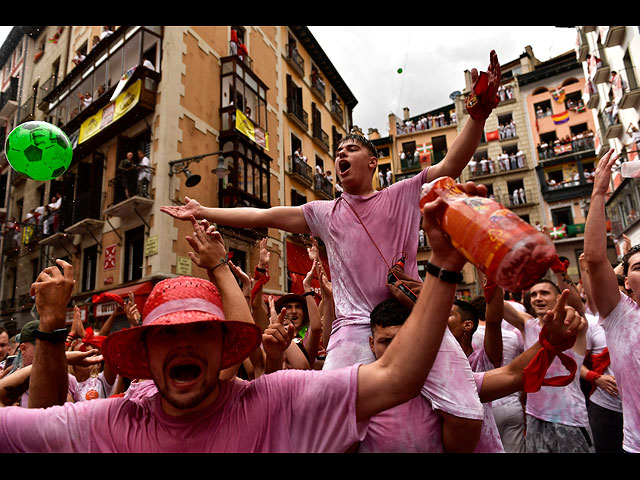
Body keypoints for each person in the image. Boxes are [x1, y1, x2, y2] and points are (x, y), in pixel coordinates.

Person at [160, 50, 501, 432]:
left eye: (351, 149)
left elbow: (450, 166)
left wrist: (477, 115)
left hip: (411, 318)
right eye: (338, 151)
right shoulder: (323, 212)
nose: (341, 153)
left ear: (373, 164)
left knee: (468, 411)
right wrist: (204, 211)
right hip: (354, 328)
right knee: (328, 422)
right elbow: (263, 215)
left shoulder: (402, 193)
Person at [1, 189, 477, 453]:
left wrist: (443, 267)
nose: (184, 346)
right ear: (144, 353)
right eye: (167, 335)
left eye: (201, 330)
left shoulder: (277, 401)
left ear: (226, 346)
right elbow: (40, 428)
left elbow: (397, 376)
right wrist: (48, 327)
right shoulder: (115, 418)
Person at [583, 147, 640, 453]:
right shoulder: (622, 316)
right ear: (626, 283)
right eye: (638, 267)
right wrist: (599, 193)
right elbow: (594, 259)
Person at [502, 277, 593, 453]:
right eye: (534, 294)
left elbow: (577, 307)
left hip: (569, 420)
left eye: (544, 293)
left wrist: (560, 273)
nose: (537, 298)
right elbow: (495, 300)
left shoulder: (573, 325)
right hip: (535, 416)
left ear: (559, 298)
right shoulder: (527, 324)